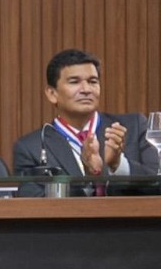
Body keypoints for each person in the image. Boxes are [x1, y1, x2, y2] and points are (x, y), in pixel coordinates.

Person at [12, 48, 150, 197]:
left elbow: (156, 186)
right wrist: (88, 180)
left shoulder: (133, 127)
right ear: (52, 94)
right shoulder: (30, 147)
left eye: (92, 81)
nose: (86, 89)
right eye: (74, 82)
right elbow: (33, 201)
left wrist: (118, 165)